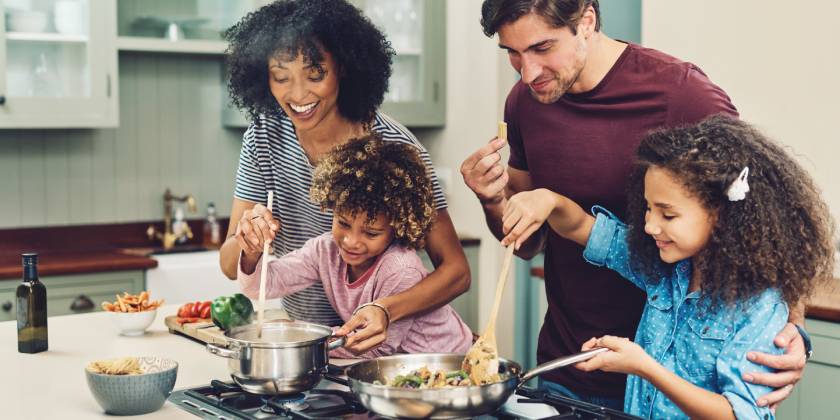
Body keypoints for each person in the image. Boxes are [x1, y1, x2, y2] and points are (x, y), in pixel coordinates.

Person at [461, 0, 808, 410]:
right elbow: (528, 244)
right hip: (565, 364)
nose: (528, 72)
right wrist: (493, 199)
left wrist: (793, 331)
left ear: (586, 21)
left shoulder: (683, 94)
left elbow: (761, 211)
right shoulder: (524, 102)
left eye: (542, 48)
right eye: (513, 54)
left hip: (676, 389)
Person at [501, 116, 835, 418]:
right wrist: (549, 200)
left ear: (720, 215)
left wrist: (645, 367)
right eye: (648, 208)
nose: (649, 226)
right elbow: (581, 228)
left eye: (667, 214)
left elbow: (737, 414)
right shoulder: (661, 267)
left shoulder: (759, 307)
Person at [219, 0, 470, 355]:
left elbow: (457, 271)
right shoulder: (264, 135)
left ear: (344, 68)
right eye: (281, 77)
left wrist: (384, 309)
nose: (298, 94)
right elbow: (232, 265)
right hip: (311, 340)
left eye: (315, 74)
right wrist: (248, 240)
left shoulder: (395, 149)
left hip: (376, 348)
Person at [236, 137, 473, 358]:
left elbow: (377, 348)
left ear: (397, 227)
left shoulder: (400, 269)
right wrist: (252, 251)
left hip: (445, 359)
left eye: (371, 233)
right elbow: (261, 287)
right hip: (397, 365)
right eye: (343, 223)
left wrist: (301, 337)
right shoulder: (325, 250)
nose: (351, 241)